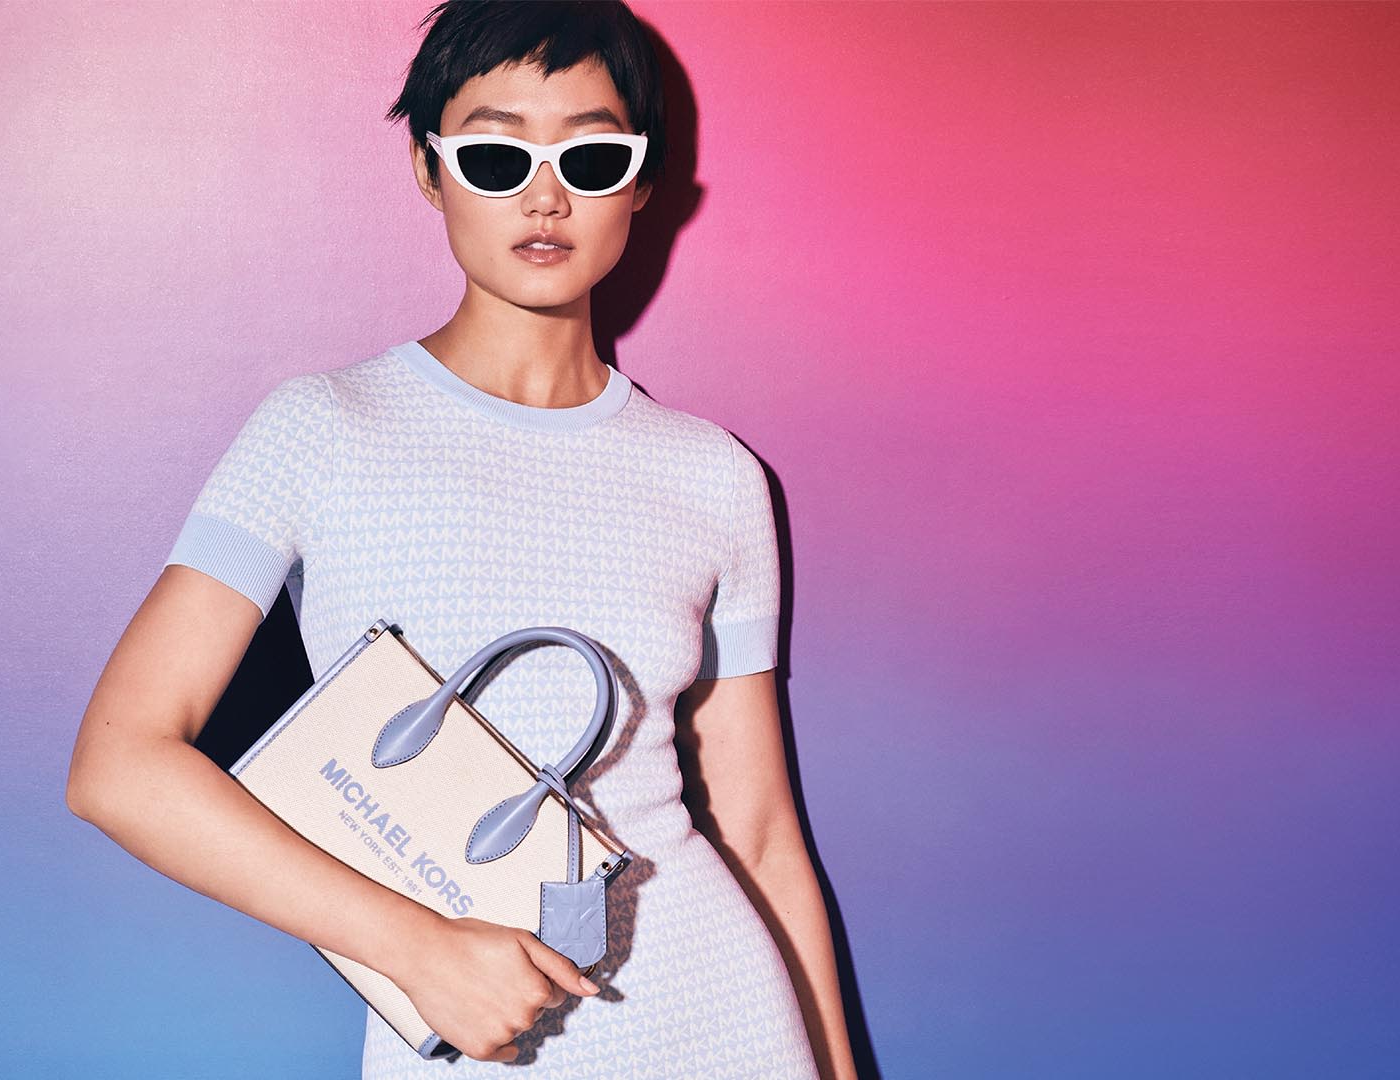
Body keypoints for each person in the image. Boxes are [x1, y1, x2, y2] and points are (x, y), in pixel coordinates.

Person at [65, 2, 857, 1076]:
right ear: (429, 171)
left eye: (590, 156)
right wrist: (413, 948)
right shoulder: (321, 428)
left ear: (640, 183)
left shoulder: (715, 475)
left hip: (719, 1022)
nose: (544, 195)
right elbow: (118, 766)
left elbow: (759, 833)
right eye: (495, 154)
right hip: (465, 1038)